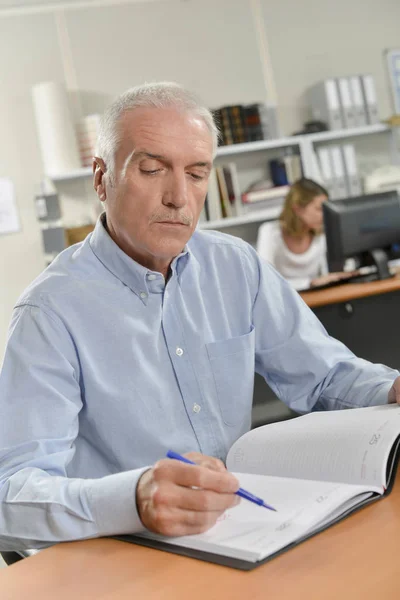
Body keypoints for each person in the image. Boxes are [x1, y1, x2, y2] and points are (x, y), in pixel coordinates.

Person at [0, 82, 399, 552]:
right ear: (101, 178)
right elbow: (11, 491)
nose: (178, 197)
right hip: (126, 556)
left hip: (245, 529)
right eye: (152, 169)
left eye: (196, 173)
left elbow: (326, 376)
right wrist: (133, 499)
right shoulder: (48, 313)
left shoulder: (236, 266)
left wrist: (390, 388)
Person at [256, 178, 355, 290]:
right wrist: (309, 283)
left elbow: (327, 273)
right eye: (319, 209)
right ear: (297, 209)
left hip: (316, 299)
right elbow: (265, 279)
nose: (324, 214)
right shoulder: (270, 232)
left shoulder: (321, 235)